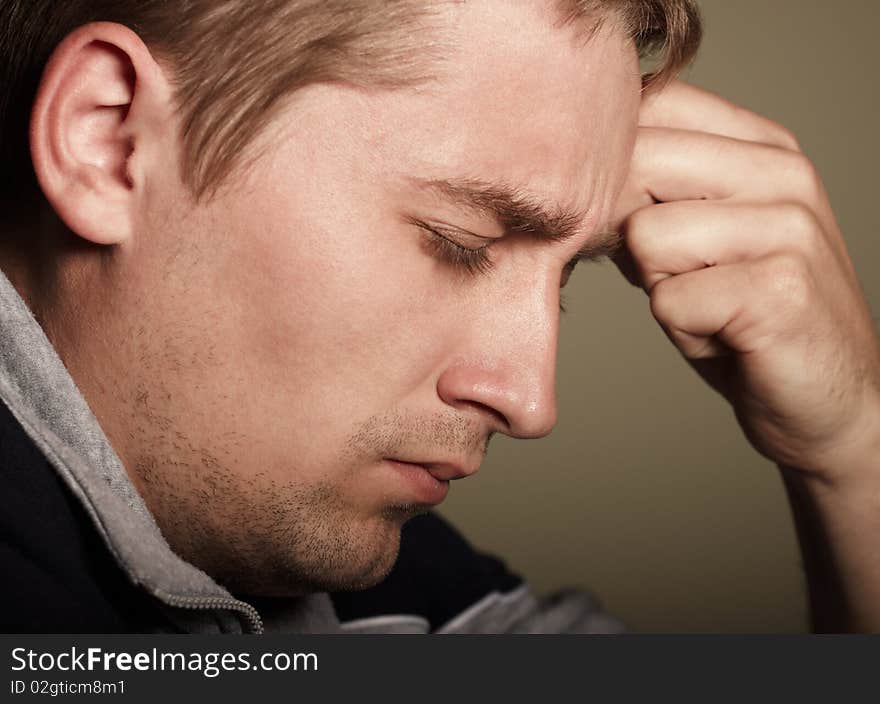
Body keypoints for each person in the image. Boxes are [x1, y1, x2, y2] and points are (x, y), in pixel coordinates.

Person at [1, 0, 878, 634]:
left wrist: (852, 453)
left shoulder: (367, 568)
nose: (531, 402)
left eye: (567, 276)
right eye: (459, 242)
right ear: (108, 141)